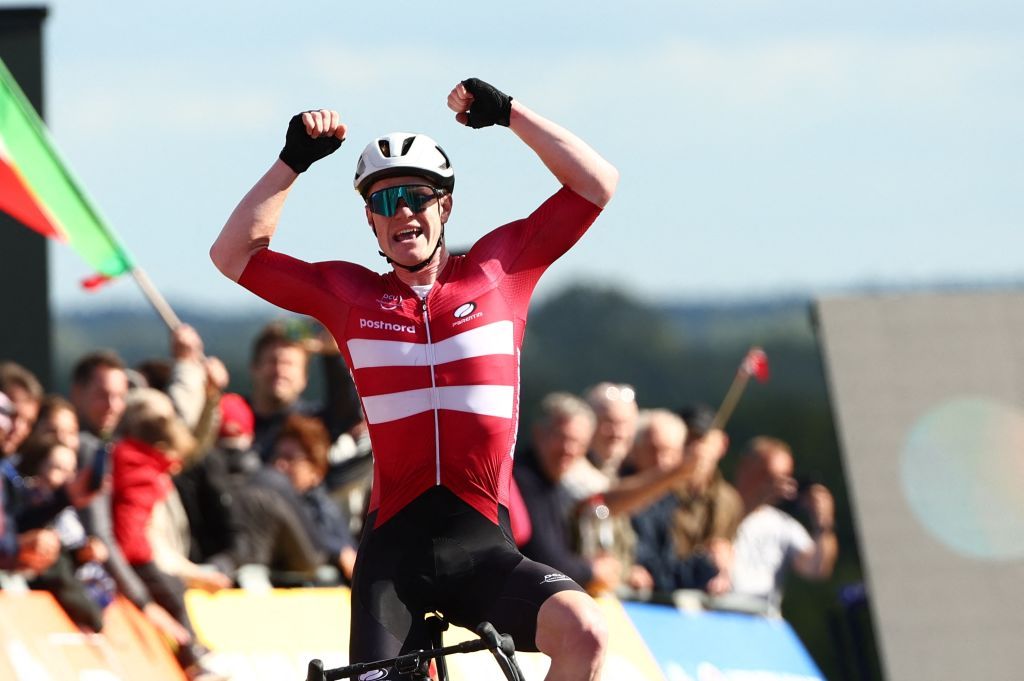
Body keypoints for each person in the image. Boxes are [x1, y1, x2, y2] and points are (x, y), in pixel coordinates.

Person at [211, 77, 618, 680]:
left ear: (444, 205)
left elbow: (595, 185)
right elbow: (233, 255)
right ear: (371, 223)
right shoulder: (348, 294)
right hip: (392, 561)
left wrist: (510, 114)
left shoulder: (500, 272)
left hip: (481, 545)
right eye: (383, 200)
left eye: (416, 195)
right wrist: (291, 163)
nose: (401, 210)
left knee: (586, 634)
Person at [514, 392, 623, 595]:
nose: (569, 449)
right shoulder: (522, 479)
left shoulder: (551, 483)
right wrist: (592, 570)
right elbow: (545, 560)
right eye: (562, 438)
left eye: (578, 443)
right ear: (539, 434)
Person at [729, 436, 838, 614]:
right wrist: (757, 499)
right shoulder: (716, 504)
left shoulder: (783, 524)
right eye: (768, 476)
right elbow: (717, 528)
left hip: (763, 620)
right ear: (744, 467)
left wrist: (823, 523)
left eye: (784, 477)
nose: (777, 485)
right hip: (716, 615)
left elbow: (817, 570)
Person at [270, 413, 357, 581]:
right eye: (278, 456)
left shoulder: (326, 507)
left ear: (315, 470)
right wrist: (338, 552)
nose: (279, 465)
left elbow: (350, 553)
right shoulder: (272, 501)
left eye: (290, 458)